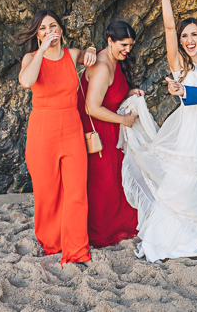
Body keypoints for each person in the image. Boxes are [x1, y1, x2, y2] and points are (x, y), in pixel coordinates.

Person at [117, 0, 197, 262]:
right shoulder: (180, 65)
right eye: (185, 36)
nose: (189, 39)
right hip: (192, 127)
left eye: (194, 34)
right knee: (185, 180)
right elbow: (168, 26)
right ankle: (178, 234)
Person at [16, 9, 97, 266]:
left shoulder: (72, 55)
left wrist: (92, 48)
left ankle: (76, 249)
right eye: (42, 28)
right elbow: (27, 81)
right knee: (47, 192)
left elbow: (90, 55)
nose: (49, 30)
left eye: (53, 25)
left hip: (71, 128)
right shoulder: (31, 57)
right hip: (42, 131)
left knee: (76, 191)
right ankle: (52, 243)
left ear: (60, 29)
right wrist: (41, 50)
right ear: (37, 34)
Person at [77, 21, 142, 248]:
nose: (127, 50)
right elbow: (91, 108)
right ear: (109, 41)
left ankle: (118, 224)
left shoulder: (115, 60)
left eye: (130, 46)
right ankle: (100, 231)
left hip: (110, 128)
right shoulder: (103, 67)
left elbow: (112, 95)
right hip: (97, 130)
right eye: (123, 45)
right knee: (102, 182)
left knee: (116, 180)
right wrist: (124, 120)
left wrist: (131, 92)